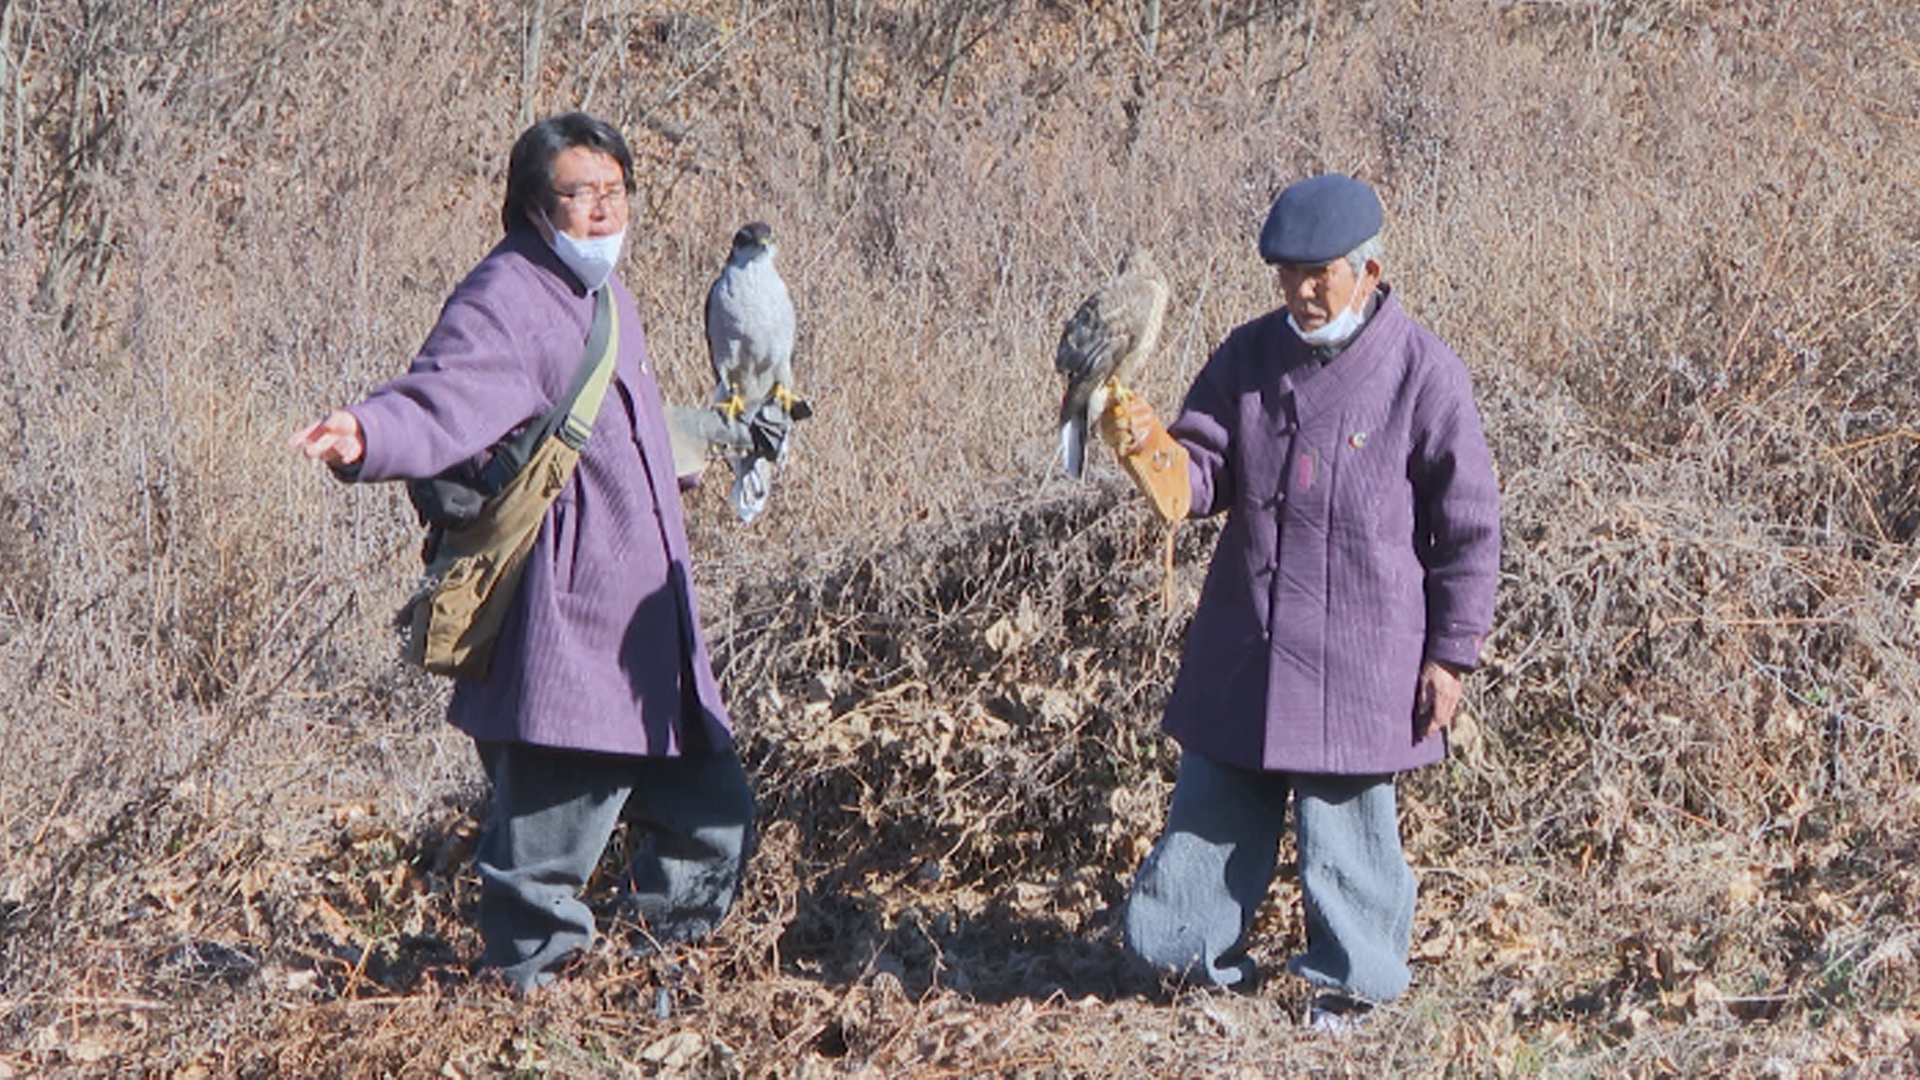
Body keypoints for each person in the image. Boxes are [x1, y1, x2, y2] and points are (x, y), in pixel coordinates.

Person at [289, 113, 755, 992]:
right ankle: (527, 1019)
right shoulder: (508, 293)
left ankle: (663, 985)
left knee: (713, 820)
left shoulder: (607, 299)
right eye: (582, 195)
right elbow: (443, 395)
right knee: (538, 874)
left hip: (654, 650)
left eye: (616, 192)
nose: (604, 213)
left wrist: (712, 443)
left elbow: (615, 435)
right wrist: (366, 431)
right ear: (536, 207)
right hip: (570, 642)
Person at [1102, 173, 1501, 1026]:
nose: (1305, 291)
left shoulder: (1424, 373)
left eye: (1321, 273)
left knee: (1351, 837)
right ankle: (1184, 965)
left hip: (1364, 651)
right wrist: (1151, 452)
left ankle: (1352, 988)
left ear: (1370, 269)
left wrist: (1451, 654)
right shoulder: (1245, 357)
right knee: (1209, 820)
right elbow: (1200, 475)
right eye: (1289, 274)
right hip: (1246, 637)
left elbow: (1469, 527)